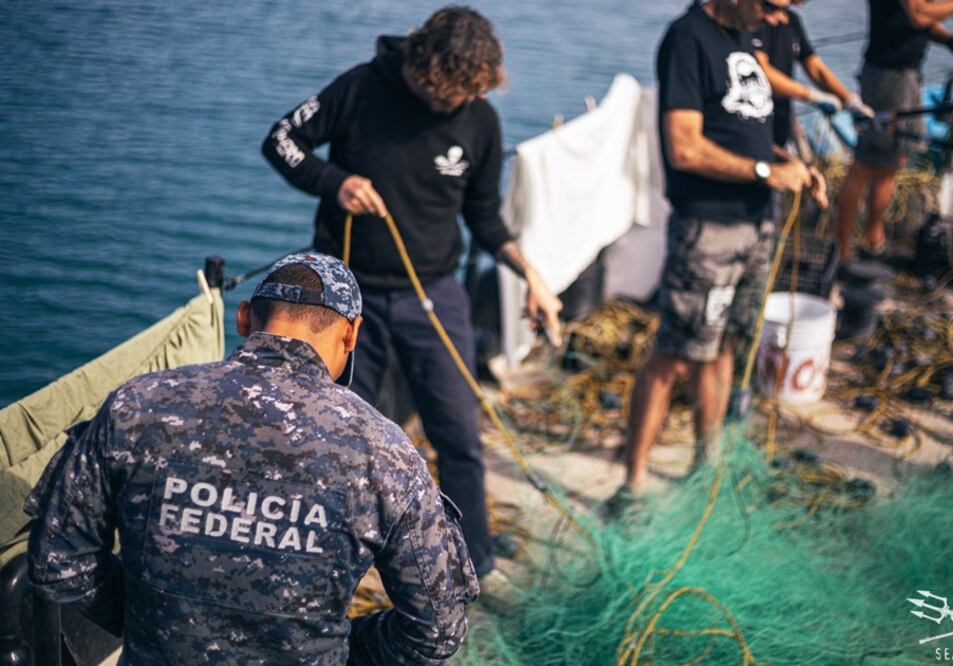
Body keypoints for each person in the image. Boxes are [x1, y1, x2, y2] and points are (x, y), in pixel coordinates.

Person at [23, 252, 478, 664]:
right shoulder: (385, 451)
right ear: (352, 333)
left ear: (243, 318)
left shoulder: (137, 406)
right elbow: (437, 632)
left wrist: (151, 620)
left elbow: (57, 562)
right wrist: (338, 647)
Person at [262, 6, 562, 588]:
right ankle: (331, 563)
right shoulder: (359, 88)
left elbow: (485, 217)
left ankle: (472, 562)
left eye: (468, 98)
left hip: (435, 296)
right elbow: (281, 140)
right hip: (348, 299)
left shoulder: (480, 120)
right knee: (341, 436)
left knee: (458, 434)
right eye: (448, 95)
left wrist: (533, 276)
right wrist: (335, 182)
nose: (455, 108)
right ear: (423, 69)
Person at [606, 0, 827, 511]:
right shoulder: (688, 38)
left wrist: (790, 164)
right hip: (708, 228)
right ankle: (632, 485)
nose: (777, 18)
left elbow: (743, 130)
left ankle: (705, 466)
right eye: (772, 5)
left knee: (726, 344)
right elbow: (684, 147)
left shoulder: (746, 34)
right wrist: (767, 175)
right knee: (674, 356)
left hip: (756, 224)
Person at [835, 0, 953, 262]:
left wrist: (949, 39)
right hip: (887, 76)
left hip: (907, 74)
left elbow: (914, 19)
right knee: (866, 164)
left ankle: (873, 241)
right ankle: (843, 249)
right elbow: (918, 15)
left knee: (893, 162)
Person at [752, 0, 875, 151]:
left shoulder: (792, 21)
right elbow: (760, 70)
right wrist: (811, 95)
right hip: (755, 118)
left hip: (781, 118)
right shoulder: (757, 21)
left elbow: (815, 68)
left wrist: (849, 100)